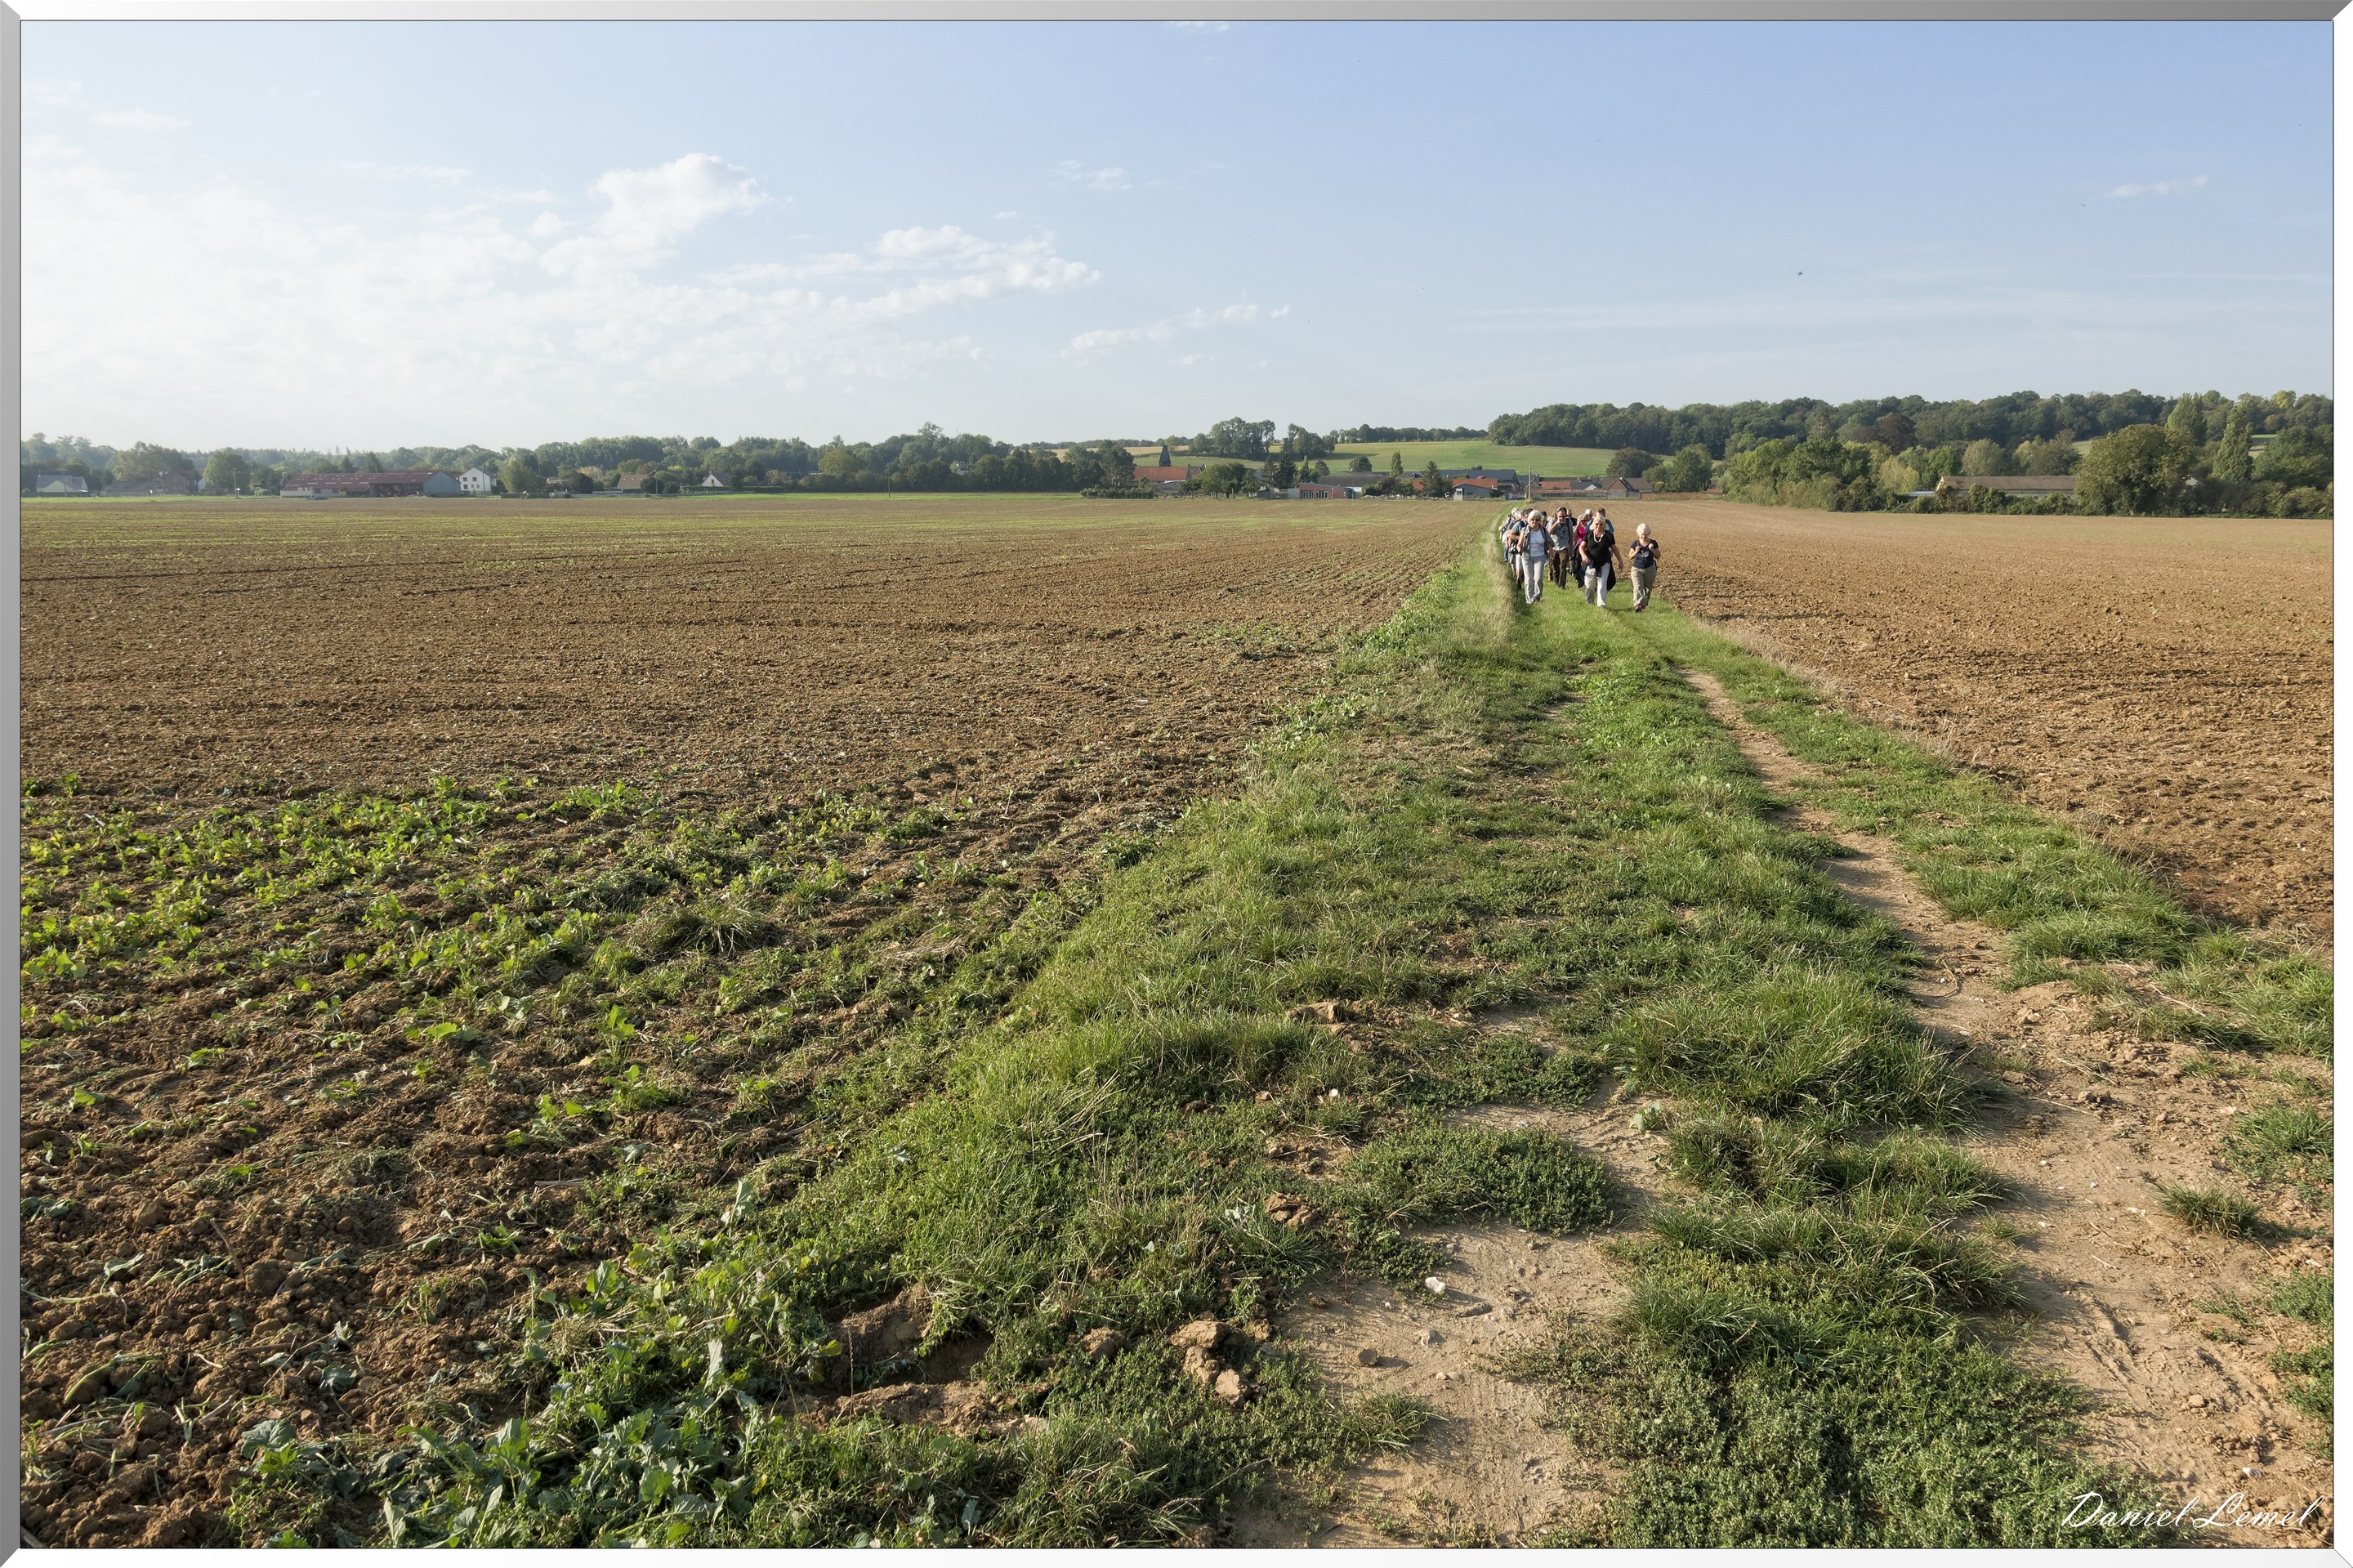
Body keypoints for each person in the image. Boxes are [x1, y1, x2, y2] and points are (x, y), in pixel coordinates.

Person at [1581, 511, 1618, 608]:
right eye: (1597, 524)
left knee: (1602, 582)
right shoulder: (1589, 535)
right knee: (1589, 585)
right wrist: (1583, 555)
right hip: (1591, 562)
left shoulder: (1609, 536)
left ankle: (1601, 603)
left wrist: (1620, 561)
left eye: (1601, 524)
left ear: (1604, 525)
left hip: (1604, 562)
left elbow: (1614, 548)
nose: (1598, 526)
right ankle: (1589, 602)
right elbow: (1581, 547)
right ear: (1594, 525)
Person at [1628, 521, 1661, 611]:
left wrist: (1652, 550)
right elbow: (1630, 556)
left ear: (1648, 534)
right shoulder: (1635, 543)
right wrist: (1636, 551)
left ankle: (1643, 605)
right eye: (1642, 534)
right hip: (1637, 569)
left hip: (1649, 569)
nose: (1644, 537)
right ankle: (1638, 605)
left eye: (1646, 535)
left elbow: (1658, 556)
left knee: (1648, 589)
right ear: (1639, 534)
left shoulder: (1653, 543)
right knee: (1638, 588)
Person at [1520, 508, 1550, 603]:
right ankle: (1529, 600)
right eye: (1532, 519)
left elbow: (1549, 543)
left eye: (1537, 520)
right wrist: (1519, 548)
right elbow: (1519, 544)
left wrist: (1551, 556)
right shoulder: (1525, 530)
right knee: (1529, 579)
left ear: (1540, 521)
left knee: (1538, 578)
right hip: (1527, 556)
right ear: (1529, 520)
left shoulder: (1543, 531)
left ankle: (1537, 595)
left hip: (1540, 556)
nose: (1535, 522)